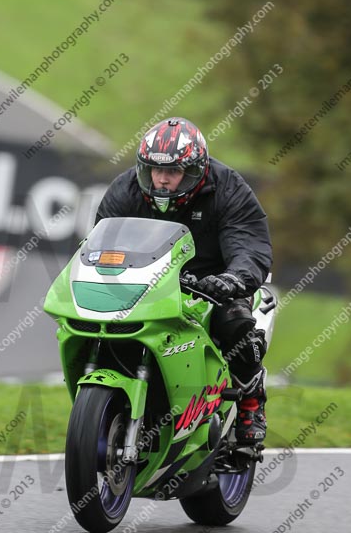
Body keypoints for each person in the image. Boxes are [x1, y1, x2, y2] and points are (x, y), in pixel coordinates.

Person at [95, 117, 272, 445]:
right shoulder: (126, 189)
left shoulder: (228, 188)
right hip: (146, 282)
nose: (162, 179)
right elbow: (100, 243)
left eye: (173, 171)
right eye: (154, 170)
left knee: (234, 320)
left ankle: (251, 399)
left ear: (195, 170)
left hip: (211, 283)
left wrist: (233, 279)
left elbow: (249, 245)